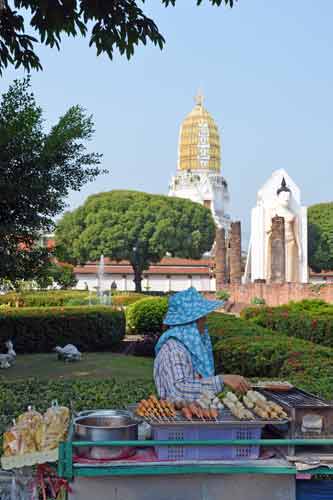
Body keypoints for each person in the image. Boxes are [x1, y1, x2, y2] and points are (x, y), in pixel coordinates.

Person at [154, 287, 250, 401]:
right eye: (202, 317)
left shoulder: (185, 347)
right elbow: (178, 390)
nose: (205, 321)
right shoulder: (174, 350)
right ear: (191, 322)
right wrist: (221, 380)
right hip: (179, 416)